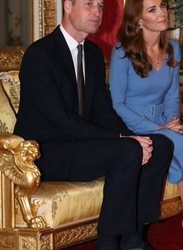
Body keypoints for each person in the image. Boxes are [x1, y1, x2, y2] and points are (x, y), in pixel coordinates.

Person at [14, 0, 174, 249]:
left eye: (99, 6)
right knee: (128, 149)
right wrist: (123, 141)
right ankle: (108, 243)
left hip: (81, 145)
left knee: (159, 145)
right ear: (68, 6)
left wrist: (133, 136)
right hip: (45, 151)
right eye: (89, 4)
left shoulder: (93, 54)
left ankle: (134, 237)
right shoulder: (40, 54)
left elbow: (103, 112)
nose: (97, 12)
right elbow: (60, 120)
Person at [109, 0, 183, 249]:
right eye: (153, 9)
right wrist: (157, 129)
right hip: (135, 125)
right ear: (139, 20)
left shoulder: (173, 48)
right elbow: (118, 104)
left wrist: (171, 120)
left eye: (162, 6)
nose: (163, 12)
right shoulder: (122, 51)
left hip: (164, 122)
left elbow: (173, 96)